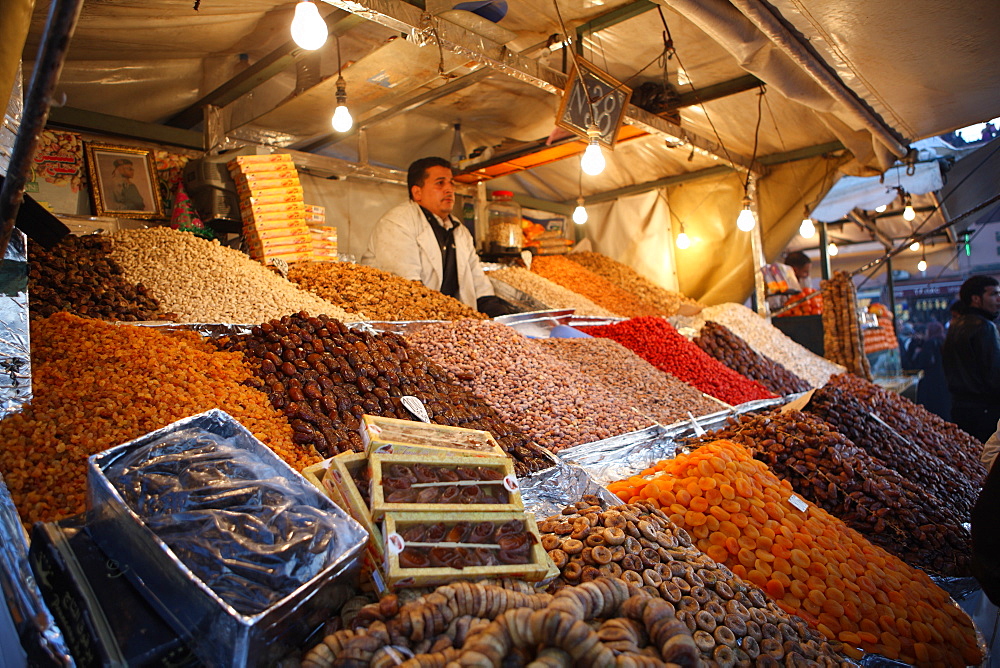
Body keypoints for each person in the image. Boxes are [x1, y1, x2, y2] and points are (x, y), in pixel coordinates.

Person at [361, 157, 514, 317]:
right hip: (404, 320)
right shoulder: (398, 223)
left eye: (451, 183)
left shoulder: (459, 231)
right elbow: (406, 288)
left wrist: (503, 319)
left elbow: (479, 284)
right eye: (440, 183)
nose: (449, 189)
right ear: (417, 192)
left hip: (448, 321)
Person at [942, 275, 1000, 442]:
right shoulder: (985, 327)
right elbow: (994, 375)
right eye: (993, 294)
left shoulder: (956, 325)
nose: (998, 299)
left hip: (960, 409)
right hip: (985, 412)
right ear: (976, 299)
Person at [903, 320, 951, 420]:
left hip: (932, 383)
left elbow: (923, 363)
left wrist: (917, 353)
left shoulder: (930, 343)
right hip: (944, 383)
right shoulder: (944, 341)